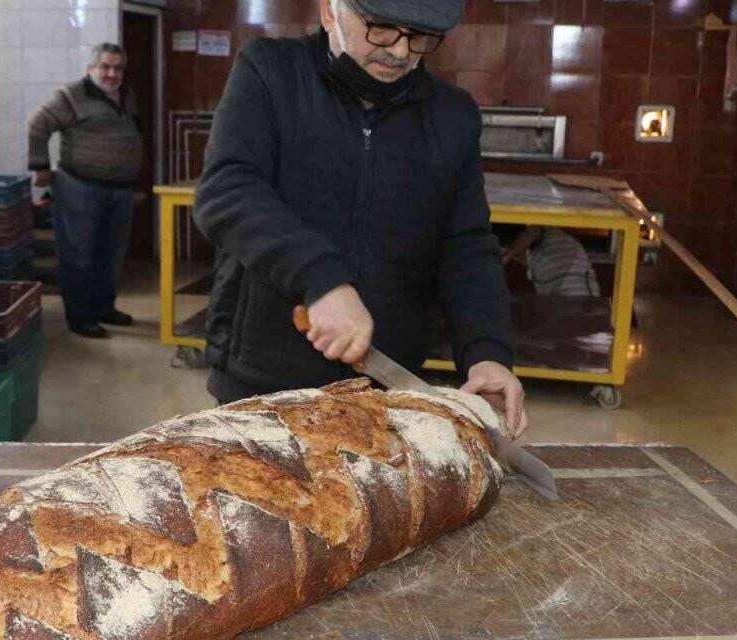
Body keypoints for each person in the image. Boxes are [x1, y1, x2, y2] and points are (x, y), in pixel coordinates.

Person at [194, 0, 528, 436]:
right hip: (261, 377)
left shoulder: (453, 116)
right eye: (383, 28)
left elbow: (466, 246)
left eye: (420, 36)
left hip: (385, 389)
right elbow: (227, 190)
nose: (402, 52)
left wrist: (487, 352)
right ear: (331, 11)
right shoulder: (270, 73)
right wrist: (321, 279)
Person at [27, 43, 142, 339]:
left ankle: (104, 308)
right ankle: (80, 318)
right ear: (91, 68)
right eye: (105, 66)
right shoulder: (72, 95)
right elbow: (37, 124)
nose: (112, 73)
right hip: (80, 187)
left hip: (120, 190)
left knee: (112, 255)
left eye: (118, 67)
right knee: (79, 255)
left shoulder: (127, 94)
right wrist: (40, 166)